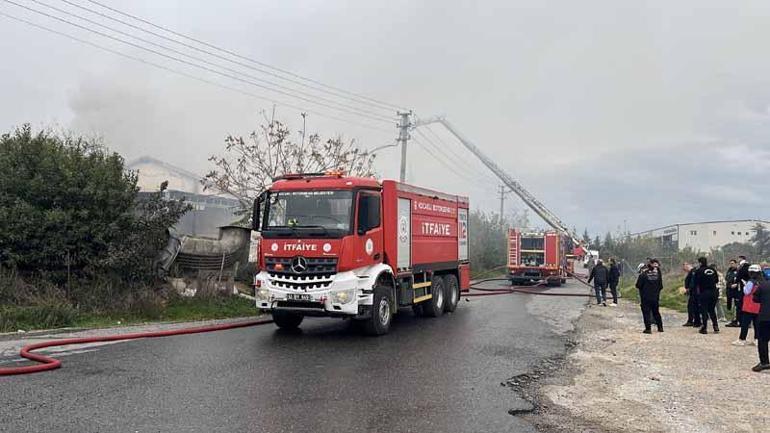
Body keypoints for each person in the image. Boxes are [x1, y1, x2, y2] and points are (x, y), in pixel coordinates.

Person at [732, 265, 764, 346]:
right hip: (758, 306)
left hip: (749, 306)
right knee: (757, 324)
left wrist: (745, 285)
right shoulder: (762, 281)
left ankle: (742, 339)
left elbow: (746, 292)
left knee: (745, 324)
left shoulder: (751, 281)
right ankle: (757, 339)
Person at [693, 257, 720, 335]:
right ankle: (715, 326)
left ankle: (704, 328)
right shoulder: (713, 270)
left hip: (704, 292)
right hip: (713, 292)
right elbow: (716, 280)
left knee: (704, 310)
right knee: (712, 309)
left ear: (700, 263)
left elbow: (696, 283)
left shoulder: (699, 271)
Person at [635, 261, 663, 334]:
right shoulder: (657, 275)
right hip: (655, 297)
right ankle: (660, 327)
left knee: (646, 313)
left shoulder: (643, 275)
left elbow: (638, 285)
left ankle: (648, 329)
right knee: (656, 312)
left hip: (645, 297)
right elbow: (661, 286)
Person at [751, 273, 770, 372]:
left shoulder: (762, 286)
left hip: (765, 317)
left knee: (763, 340)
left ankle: (764, 362)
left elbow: (755, 299)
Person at [682, 263, 702, 327]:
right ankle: (694, 320)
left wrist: (689, 288)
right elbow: (688, 280)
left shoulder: (695, 271)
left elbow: (693, 282)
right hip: (693, 291)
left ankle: (695, 321)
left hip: (697, 292)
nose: (684, 268)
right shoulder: (692, 271)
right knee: (692, 306)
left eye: (685, 266)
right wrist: (687, 288)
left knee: (694, 307)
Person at [725, 259, 740, 327]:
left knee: (736, 306)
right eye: (730, 263)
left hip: (736, 291)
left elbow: (739, 280)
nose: (731, 265)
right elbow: (727, 279)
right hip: (729, 290)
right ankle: (731, 318)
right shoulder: (729, 271)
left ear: (736, 264)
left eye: (733, 263)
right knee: (729, 306)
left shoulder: (738, 271)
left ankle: (736, 320)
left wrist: (736, 284)